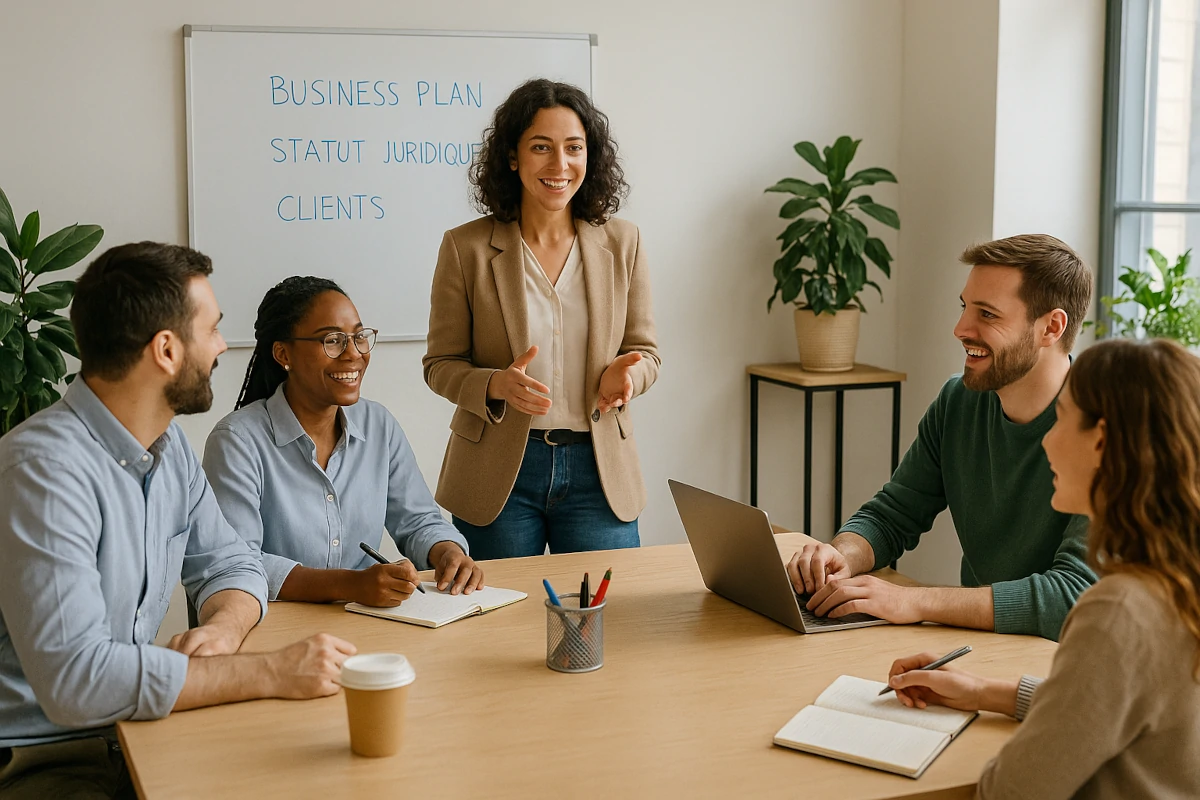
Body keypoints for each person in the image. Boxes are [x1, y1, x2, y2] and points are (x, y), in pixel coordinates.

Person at [0, 243, 355, 799]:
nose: (221, 346)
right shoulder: (42, 471)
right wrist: (270, 671)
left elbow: (232, 564)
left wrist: (222, 631)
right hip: (47, 758)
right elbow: (77, 683)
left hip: (138, 730)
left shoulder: (170, 451)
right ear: (166, 349)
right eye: (211, 329)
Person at [885, 338, 1200, 798]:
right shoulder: (1179, 580)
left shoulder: (1119, 612)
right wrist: (983, 692)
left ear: (1101, 440)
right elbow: (1114, 706)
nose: (1047, 439)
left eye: (1062, 419)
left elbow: (1009, 792)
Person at [788, 234, 1096, 640]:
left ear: (1051, 327)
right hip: (976, 646)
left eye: (987, 314)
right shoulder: (958, 401)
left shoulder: (1109, 431)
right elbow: (893, 515)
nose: (960, 329)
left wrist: (914, 601)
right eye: (965, 307)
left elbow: (1074, 596)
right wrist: (841, 555)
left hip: (1059, 659)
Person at [423, 78, 660, 559]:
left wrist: (629, 376)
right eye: (541, 147)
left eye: (574, 147)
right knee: (500, 608)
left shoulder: (624, 242)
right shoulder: (465, 247)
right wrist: (494, 384)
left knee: (604, 606)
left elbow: (646, 353)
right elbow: (440, 364)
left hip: (599, 468)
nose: (560, 165)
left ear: (590, 155)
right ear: (513, 157)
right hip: (498, 473)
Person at [204, 277, 482, 606]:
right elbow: (238, 562)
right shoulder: (237, 441)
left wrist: (447, 552)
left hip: (363, 618)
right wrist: (349, 585)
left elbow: (418, 520)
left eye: (359, 337)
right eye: (333, 340)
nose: (354, 354)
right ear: (283, 353)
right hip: (277, 622)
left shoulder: (378, 425)